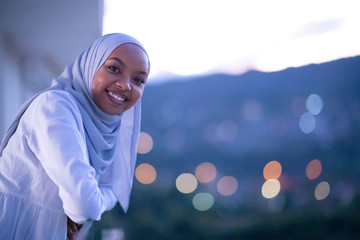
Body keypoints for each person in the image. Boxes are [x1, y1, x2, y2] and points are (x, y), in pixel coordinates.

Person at [0, 33, 150, 239]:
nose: (125, 85)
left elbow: (114, 188)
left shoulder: (109, 129)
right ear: (90, 66)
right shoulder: (55, 107)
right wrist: (81, 209)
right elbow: (85, 204)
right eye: (114, 68)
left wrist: (84, 208)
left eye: (139, 79)